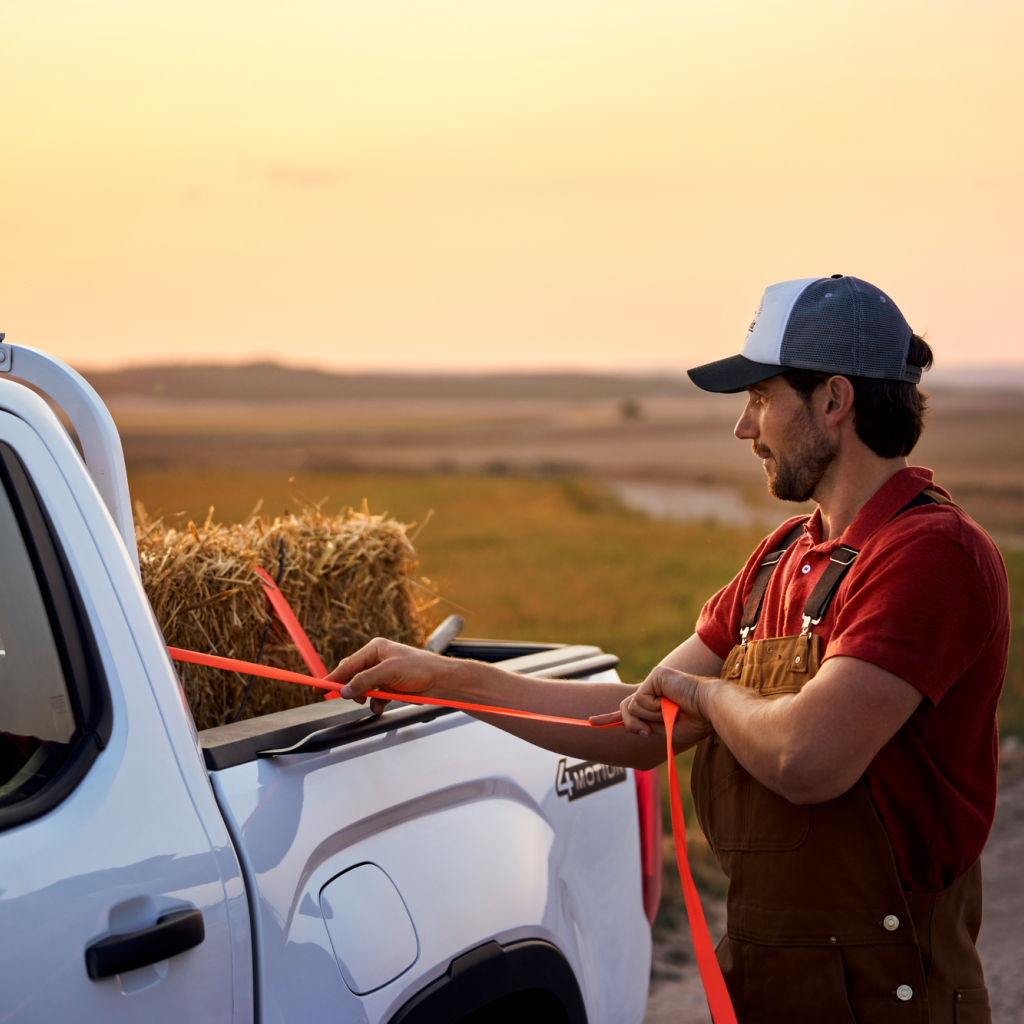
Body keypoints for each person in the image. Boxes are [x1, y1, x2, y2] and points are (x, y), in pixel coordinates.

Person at [329, 275, 1008, 1024]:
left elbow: (806, 759)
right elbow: (634, 724)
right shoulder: (779, 561)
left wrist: (711, 697)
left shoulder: (930, 554)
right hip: (766, 985)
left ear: (834, 401)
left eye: (759, 399)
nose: (744, 430)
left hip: (889, 1000)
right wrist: (449, 678)